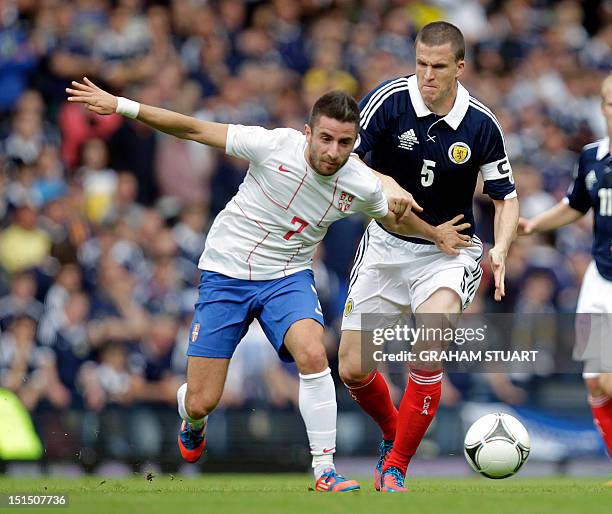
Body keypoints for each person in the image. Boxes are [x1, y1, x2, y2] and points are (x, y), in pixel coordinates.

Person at [66, 78, 471, 491]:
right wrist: (121, 105)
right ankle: (192, 418)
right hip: (226, 274)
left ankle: (325, 470)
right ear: (308, 133)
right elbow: (192, 128)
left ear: (355, 143)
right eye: (326, 139)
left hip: (287, 277)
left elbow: (393, 217)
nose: (333, 152)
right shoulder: (272, 145)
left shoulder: (360, 183)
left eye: (345, 143)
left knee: (314, 354)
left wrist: (436, 234)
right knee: (203, 398)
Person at [337, 21, 519, 492]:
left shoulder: (481, 124)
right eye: (420, 64)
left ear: (460, 67)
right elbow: (346, 157)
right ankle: (391, 432)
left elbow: (505, 196)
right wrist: (386, 183)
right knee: (352, 367)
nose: (426, 75)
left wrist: (500, 247)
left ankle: (396, 465)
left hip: (449, 251)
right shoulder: (388, 101)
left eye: (438, 66)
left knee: (430, 340)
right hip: (385, 246)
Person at [518, 73, 612, 466]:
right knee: (596, 379)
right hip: (600, 278)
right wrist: (534, 225)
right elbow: (576, 205)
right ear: (602, 107)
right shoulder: (592, 156)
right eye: (609, 102)